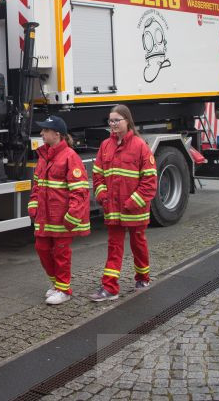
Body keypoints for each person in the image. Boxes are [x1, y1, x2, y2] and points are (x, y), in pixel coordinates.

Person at [89, 104, 158, 302]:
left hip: (135, 209)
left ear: (127, 121)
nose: (113, 124)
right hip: (113, 209)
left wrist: (131, 203)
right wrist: (103, 196)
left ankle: (142, 278)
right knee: (114, 247)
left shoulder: (140, 146)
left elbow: (149, 182)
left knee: (138, 244)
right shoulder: (105, 145)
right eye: (110, 120)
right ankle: (110, 287)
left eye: (116, 120)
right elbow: (98, 175)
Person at [28, 115, 91, 306]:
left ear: (57, 134)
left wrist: (73, 215)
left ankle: (64, 290)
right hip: (45, 216)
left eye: (45, 130)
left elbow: (79, 190)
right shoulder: (44, 156)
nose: (41, 133)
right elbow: (37, 185)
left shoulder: (70, 157)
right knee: (42, 249)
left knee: (61, 253)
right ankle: (57, 284)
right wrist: (33, 205)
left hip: (61, 217)